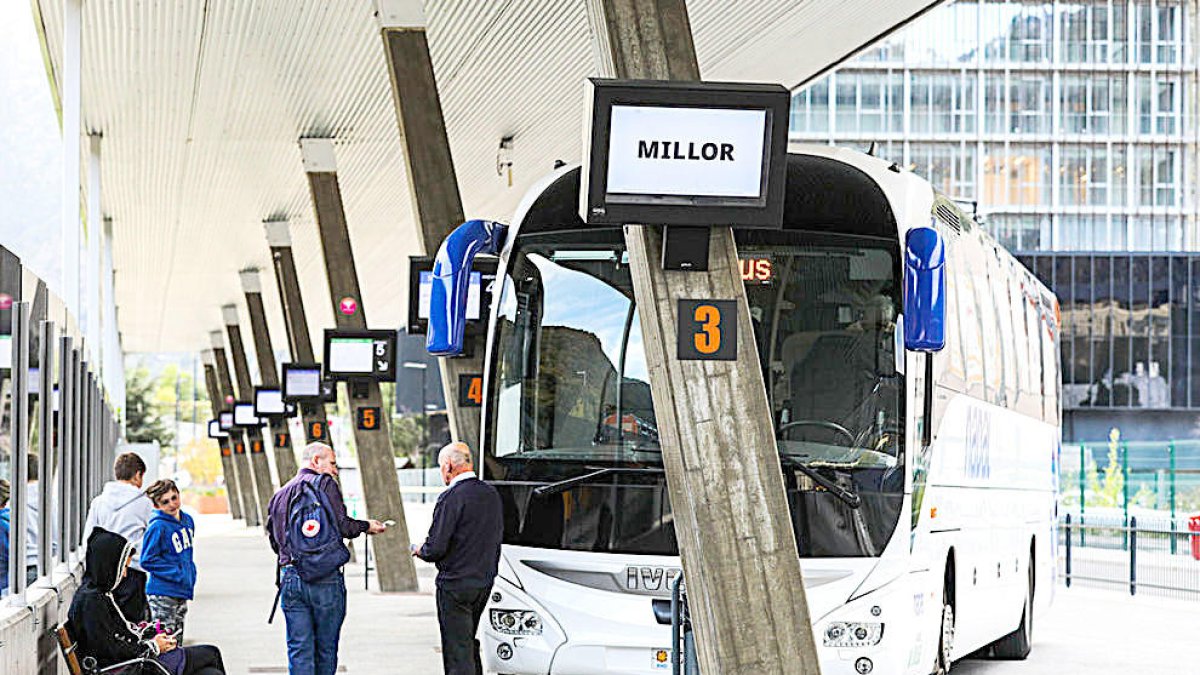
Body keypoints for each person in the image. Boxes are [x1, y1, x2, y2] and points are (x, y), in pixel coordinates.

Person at [266, 442, 386, 675]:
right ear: (315, 461)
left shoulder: (280, 494)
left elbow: (275, 541)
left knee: (299, 649)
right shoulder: (324, 484)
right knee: (326, 648)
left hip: (290, 577)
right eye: (332, 463)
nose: (335, 470)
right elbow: (343, 526)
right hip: (324, 578)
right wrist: (366, 526)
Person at [68, 527, 226, 675]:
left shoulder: (93, 595)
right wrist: (154, 645)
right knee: (211, 653)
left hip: (131, 664)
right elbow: (111, 650)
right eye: (123, 567)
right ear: (108, 566)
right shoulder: (93, 601)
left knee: (212, 673)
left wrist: (149, 636)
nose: (124, 575)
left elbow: (110, 642)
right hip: (132, 667)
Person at [413, 442, 503, 675]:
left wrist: (419, 549)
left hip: (455, 584)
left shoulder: (451, 497)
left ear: (449, 466)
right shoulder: (491, 494)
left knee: (456, 649)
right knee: (468, 642)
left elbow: (436, 547)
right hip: (483, 581)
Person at [84, 452, 155, 621]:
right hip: (132, 571)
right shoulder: (145, 503)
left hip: (102, 574)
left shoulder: (98, 502)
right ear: (138, 475)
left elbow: (88, 538)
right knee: (133, 623)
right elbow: (152, 538)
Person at [142, 479, 198, 642]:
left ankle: (176, 668)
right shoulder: (157, 527)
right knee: (165, 640)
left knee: (177, 639)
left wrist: (189, 574)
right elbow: (147, 560)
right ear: (157, 506)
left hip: (182, 589)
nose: (172, 504)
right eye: (165, 502)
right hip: (163, 592)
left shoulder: (187, 520)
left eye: (174, 497)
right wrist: (177, 573)